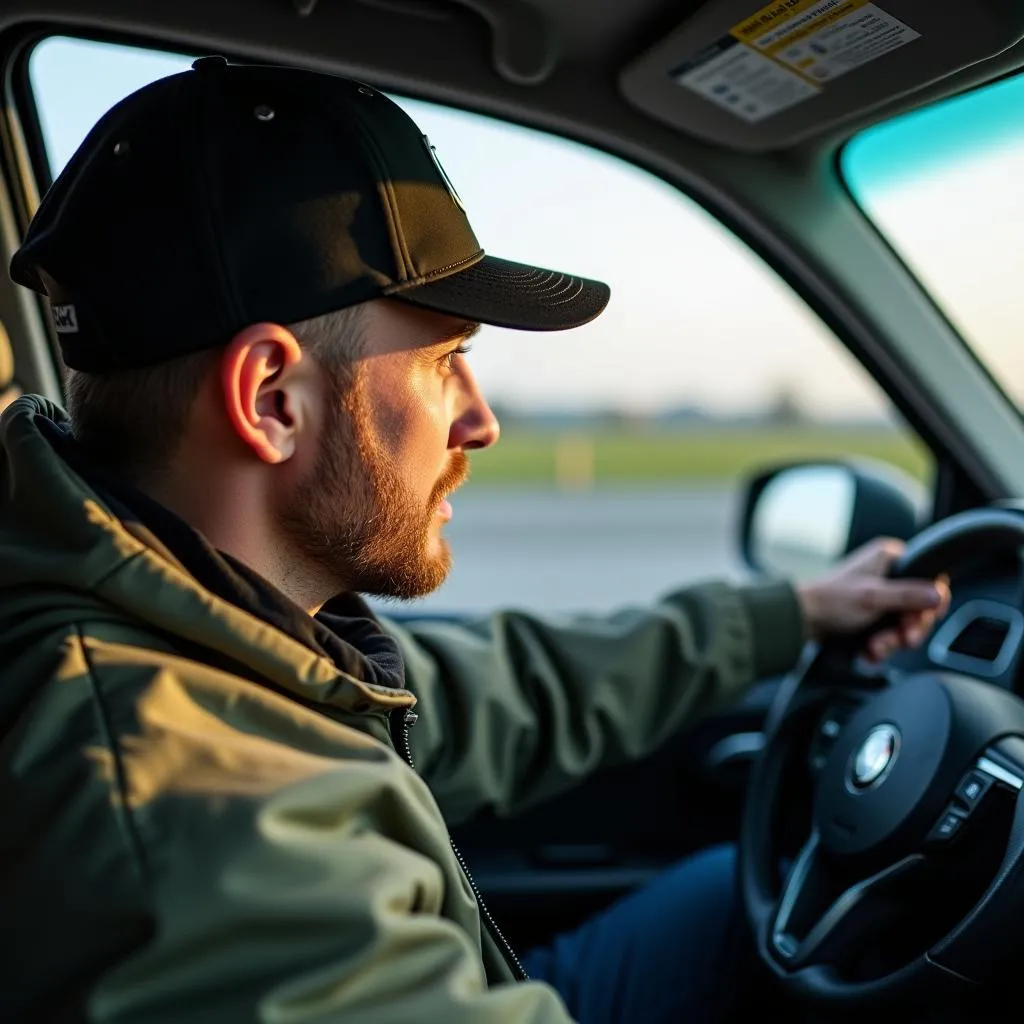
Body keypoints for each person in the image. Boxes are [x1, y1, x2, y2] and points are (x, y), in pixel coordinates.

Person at [0, 56, 949, 1023]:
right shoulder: (212, 851)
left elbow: (499, 690)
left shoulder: (204, 630)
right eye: (446, 359)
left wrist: (793, 612)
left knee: (725, 896)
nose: (482, 419)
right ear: (272, 400)